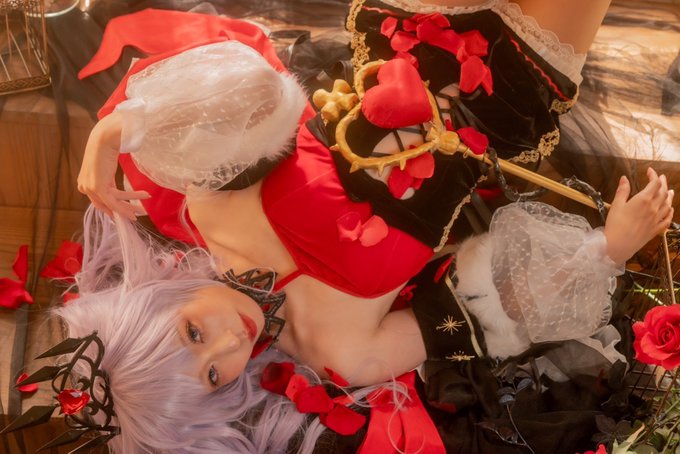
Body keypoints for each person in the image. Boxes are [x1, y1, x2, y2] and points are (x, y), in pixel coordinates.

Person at [50, 2, 675, 453]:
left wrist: (122, 127)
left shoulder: (202, 210)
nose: (229, 343)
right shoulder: (343, 355)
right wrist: (606, 250)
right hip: (508, 95)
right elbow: (492, 309)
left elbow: (260, 90)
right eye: (214, 375)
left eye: (192, 334)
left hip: (410, 27)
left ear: (159, 302)